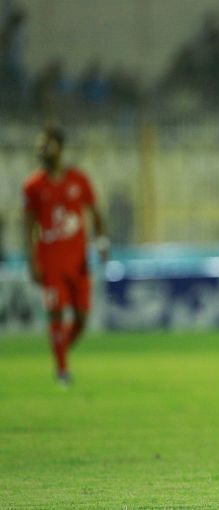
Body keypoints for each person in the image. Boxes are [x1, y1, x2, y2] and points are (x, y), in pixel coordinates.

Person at [23, 127, 108, 386]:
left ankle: (60, 351)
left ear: (60, 148)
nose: (41, 150)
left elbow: (95, 213)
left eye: (46, 145)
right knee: (56, 314)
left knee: (82, 318)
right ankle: (62, 370)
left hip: (78, 261)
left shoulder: (78, 180)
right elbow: (28, 226)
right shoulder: (33, 185)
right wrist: (31, 260)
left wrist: (102, 242)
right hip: (50, 262)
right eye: (39, 146)